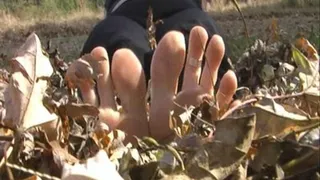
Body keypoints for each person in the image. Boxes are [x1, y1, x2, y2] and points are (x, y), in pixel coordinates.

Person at [66, 0, 238, 142]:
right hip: (134, 7)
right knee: (193, 33)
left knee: (114, 38)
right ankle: (191, 112)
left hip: (136, 9)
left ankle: (122, 114)